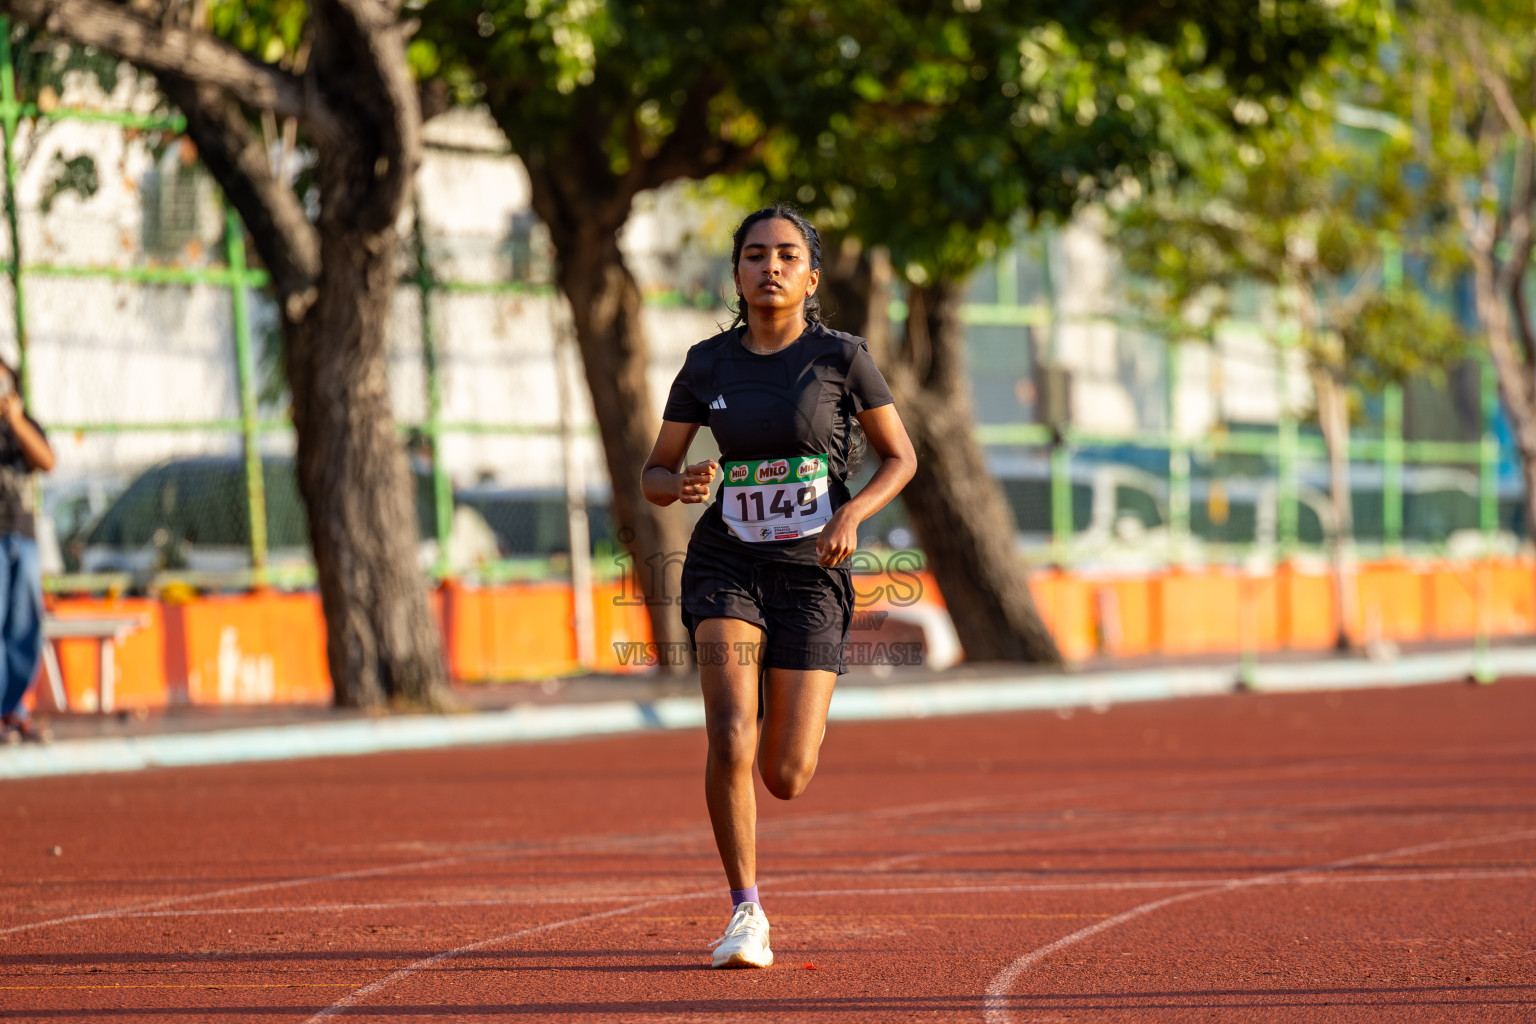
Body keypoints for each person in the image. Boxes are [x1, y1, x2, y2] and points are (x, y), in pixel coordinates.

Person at [642, 205, 917, 968]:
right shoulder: (706, 364)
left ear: (810, 276)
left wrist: (854, 513)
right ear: (736, 272)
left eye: (787, 255)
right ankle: (746, 914)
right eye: (755, 254)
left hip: (812, 572)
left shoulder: (842, 356)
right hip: (726, 562)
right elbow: (654, 475)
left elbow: (901, 457)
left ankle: (795, 702)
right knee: (730, 731)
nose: (770, 266)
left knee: (785, 774)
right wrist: (682, 478)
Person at [0, 358, 53, 743]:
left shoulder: (24, 425)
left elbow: (47, 461)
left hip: (23, 535)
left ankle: (14, 709)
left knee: (24, 626)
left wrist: (15, 421)